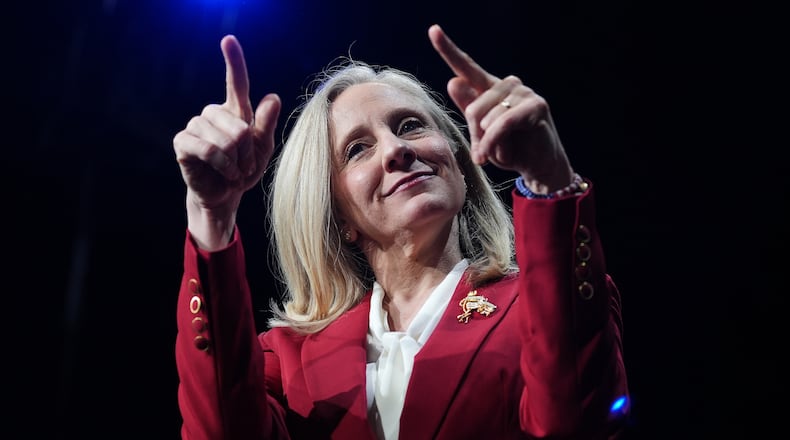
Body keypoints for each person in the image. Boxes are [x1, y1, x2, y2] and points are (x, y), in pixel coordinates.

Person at [172, 23, 630, 440]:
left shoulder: (539, 308)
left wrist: (549, 177)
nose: (396, 150)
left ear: (461, 164)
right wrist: (210, 212)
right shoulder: (288, 362)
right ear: (338, 218)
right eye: (357, 149)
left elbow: (576, 424)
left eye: (409, 126)